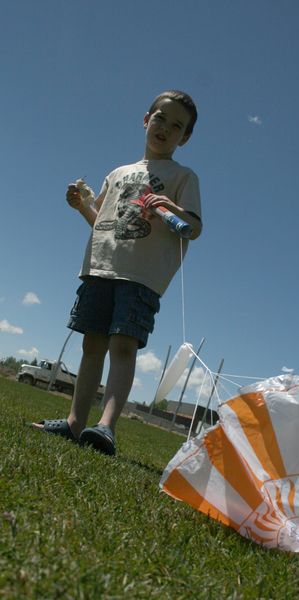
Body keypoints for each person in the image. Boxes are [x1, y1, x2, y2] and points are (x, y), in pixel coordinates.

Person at [33, 90, 202, 455]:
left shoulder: (183, 177)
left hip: (141, 277)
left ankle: (105, 426)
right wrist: (83, 207)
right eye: (160, 119)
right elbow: (104, 224)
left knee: (123, 346)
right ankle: (76, 423)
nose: (165, 129)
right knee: (92, 343)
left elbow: (193, 228)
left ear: (184, 138)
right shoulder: (118, 173)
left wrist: (170, 206)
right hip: (100, 269)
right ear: (146, 120)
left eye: (177, 127)